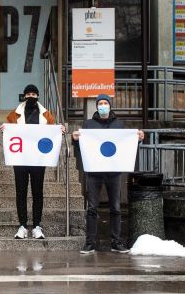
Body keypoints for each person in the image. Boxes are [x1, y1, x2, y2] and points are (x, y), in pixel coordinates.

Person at [72, 94, 145, 254]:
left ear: (110, 105)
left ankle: (116, 242)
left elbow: (127, 145)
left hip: (113, 172)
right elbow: (82, 150)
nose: (103, 105)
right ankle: (90, 243)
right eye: (100, 103)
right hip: (94, 172)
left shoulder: (119, 125)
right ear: (96, 106)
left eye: (105, 103)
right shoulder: (88, 125)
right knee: (92, 208)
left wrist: (138, 139)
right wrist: (75, 140)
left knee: (116, 208)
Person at [3, 84, 64, 240]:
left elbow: (52, 131)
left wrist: (59, 129)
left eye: (33, 94)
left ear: (38, 96)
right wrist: (6, 128)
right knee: (21, 192)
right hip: (20, 159)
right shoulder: (14, 115)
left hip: (38, 159)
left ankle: (37, 225)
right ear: (24, 96)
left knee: (38, 193)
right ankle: (22, 225)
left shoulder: (46, 115)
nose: (31, 96)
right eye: (28, 94)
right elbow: (9, 129)